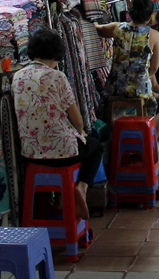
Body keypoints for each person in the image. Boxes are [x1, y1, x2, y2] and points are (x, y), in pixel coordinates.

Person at [13, 28, 106, 220]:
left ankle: (58, 200)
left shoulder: (18, 76)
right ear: (58, 51)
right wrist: (81, 133)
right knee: (95, 147)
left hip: (30, 153)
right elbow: (76, 118)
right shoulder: (57, 77)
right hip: (63, 153)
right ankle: (81, 187)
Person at [96, 0, 159, 150]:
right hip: (139, 89)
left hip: (115, 87)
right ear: (149, 16)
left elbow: (98, 29)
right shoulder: (153, 35)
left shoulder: (117, 28)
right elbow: (154, 67)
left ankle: (114, 144)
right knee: (151, 105)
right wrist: (142, 75)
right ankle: (147, 143)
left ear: (130, 13)